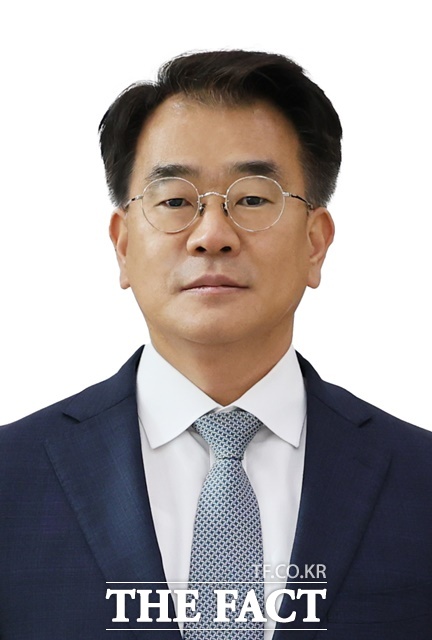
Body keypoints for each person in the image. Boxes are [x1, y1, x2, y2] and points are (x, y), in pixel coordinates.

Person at [1, 50, 431, 640]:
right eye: (175, 201)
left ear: (315, 243)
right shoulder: (11, 478)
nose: (211, 236)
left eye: (252, 199)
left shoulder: (418, 479)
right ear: (123, 245)